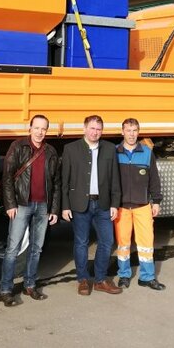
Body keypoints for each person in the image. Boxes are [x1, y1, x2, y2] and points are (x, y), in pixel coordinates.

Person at [0, 115, 60, 306]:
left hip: (43, 206)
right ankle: (6, 289)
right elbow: (7, 177)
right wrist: (10, 204)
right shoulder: (18, 146)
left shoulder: (51, 151)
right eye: (37, 128)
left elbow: (56, 182)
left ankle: (30, 285)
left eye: (43, 129)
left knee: (36, 248)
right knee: (13, 249)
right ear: (30, 128)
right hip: (22, 205)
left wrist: (54, 209)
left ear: (47, 131)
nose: (40, 132)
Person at [61, 114, 122, 295]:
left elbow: (115, 178)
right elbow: (65, 180)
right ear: (84, 128)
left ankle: (100, 280)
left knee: (107, 241)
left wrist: (115, 204)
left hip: (103, 204)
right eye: (92, 128)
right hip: (80, 204)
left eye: (98, 129)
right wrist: (65, 206)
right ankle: (83, 279)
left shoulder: (109, 149)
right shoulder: (71, 149)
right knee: (81, 243)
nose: (95, 132)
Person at [114, 118, 166, 290]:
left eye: (134, 130)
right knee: (123, 243)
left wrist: (156, 201)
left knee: (146, 244)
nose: (131, 134)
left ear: (138, 132)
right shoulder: (114, 152)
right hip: (122, 207)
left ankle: (147, 277)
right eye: (128, 130)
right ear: (122, 132)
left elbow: (154, 179)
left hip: (142, 206)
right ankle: (124, 275)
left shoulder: (147, 152)